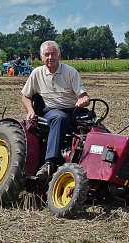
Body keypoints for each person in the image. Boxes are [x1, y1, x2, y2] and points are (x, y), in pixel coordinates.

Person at [21, 40, 90, 180]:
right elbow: (25, 96)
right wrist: (30, 110)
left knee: (94, 125)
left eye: (53, 54)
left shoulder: (70, 72)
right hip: (51, 110)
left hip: (73, 109)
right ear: (41, 57)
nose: (50, 58)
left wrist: (83, 100)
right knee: (60, 117)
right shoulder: (37, 73)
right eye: (46, 54)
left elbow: (84, 96)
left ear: (59, 55)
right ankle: (49, 163)